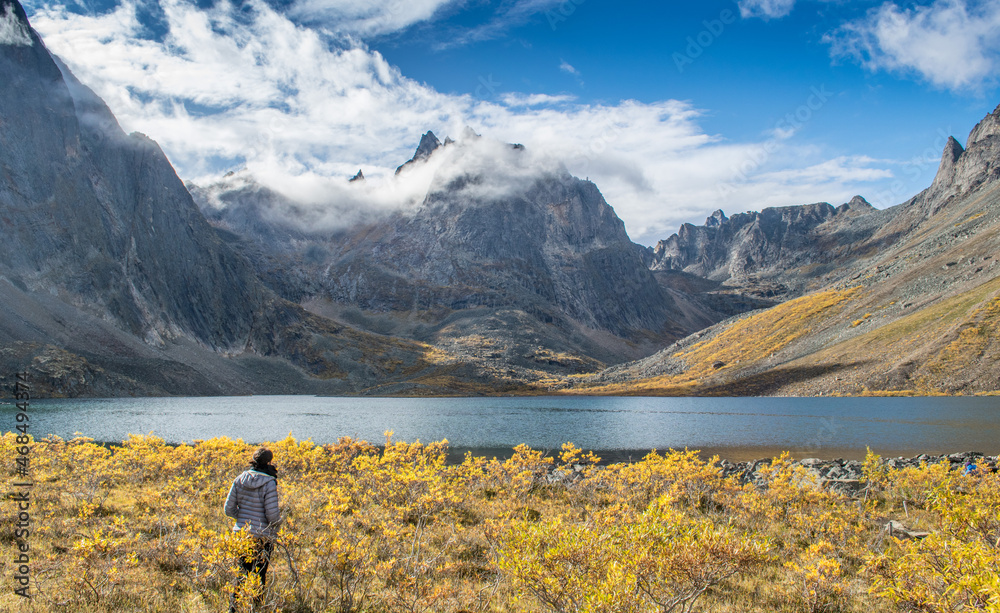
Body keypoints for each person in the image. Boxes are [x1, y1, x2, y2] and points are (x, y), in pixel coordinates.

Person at [225, 447, 281, 612]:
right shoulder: (269, 483)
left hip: (242, 535)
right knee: (260, 574)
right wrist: (278, 524)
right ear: (269, 462)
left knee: (242, 572)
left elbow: (228, 509)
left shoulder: (239, 479)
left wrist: (241, 520)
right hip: (263, 536)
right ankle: (257, 607)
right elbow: (272, 514)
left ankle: (233, 608)